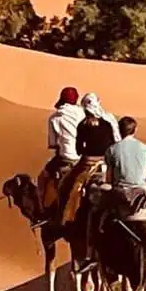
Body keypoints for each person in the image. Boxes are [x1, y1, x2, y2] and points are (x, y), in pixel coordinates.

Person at [75, 116, 146, 274]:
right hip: (141, 192)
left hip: (119, 193)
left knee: (97, 216)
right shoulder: (145, 148)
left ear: (119, 131)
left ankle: (91, 253)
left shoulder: (112, 150)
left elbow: (109, 179)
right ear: (134, 130)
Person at [59, 95, 117, 227]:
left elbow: (79, 149)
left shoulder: (83, 126)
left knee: (67, 184)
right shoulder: (107, 124)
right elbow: (112, 144)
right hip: (106, 163)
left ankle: (67, 218)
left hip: (87, 164)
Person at [36, 86, 85, 225]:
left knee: (42, 178)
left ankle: (42, 212)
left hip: (66, 158)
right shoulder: (84, 113)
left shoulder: (55, 118)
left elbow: (53, 144)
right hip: (84, 158)